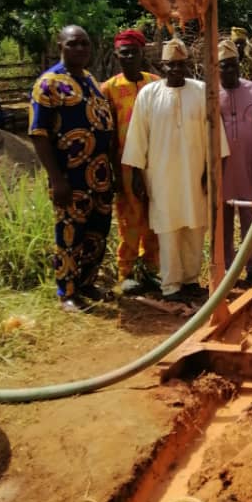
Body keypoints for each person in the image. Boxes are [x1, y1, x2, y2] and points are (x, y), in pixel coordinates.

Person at [122, 38, 230, 303]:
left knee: (195, 228)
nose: (176, 70)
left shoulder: (202, 91)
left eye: (180, 65)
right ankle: (171, 286)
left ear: (187, 65)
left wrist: (211, 171)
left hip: (196, 175)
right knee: (168, 230)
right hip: (160, 177)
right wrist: (137, 174)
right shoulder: (148, 95)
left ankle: (191, 280)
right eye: (171, 65)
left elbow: (215, 137)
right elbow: (138, 137)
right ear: (162, 65)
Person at [28, 25, 114, 312]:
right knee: (69, 235)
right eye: (73, 44)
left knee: (96, 233)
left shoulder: (89, 79)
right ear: (60, 46)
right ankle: (67, 292)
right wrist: (56, 179)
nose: (80, 49)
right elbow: (38, 133)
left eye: (85, 44)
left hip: (99, 175)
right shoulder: (48, 84)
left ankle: (87, 282)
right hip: (70, 176)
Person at [102, 29, 160, 293]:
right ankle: (126, 271)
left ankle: (151, 269)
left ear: (142, 53)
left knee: (155, 216)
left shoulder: (156, 83)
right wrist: (113, 170)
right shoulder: (109, 89)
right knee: (129, 217)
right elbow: (108, 133)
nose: (129, 57)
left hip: (156, 162)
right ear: (117, 55)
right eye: (124, 53)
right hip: (124, 163)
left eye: (133, 52)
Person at [219, 37, 252, 288]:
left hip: (250, 165)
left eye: (232, 64)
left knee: (251, 215)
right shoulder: (210, 94)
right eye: (223, 65)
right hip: (223, 168)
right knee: (223, 218)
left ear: (239, 65)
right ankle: (227, 268)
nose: (228, 69)